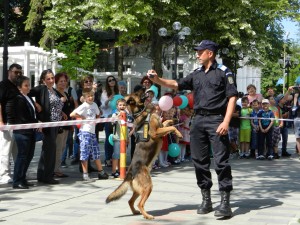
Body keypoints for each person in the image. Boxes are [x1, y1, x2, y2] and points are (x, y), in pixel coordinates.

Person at [147, 40, 238, 218]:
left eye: (200, 51)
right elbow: (176, 84)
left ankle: (225, 202)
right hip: (198, 120)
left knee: (221, 161)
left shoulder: (223, 72)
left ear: (210, 53)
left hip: (216, 119)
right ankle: (206, 199)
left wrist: (226, 122)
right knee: (199, 161)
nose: (197, 54)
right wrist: (157, 80)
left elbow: (232, 97)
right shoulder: (196, 73)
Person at [29, 69, 67, 185]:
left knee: (47, 150)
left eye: (52, 78)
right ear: (43, 80)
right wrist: (35, 104)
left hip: (56, 123)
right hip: (48, 123)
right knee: (50, 150)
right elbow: (26, 93)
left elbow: (55, 105)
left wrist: (62, 112)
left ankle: (42, 175)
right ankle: (48, 176)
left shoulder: (54, 90)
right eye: (48, 79)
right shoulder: (41, 88)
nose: (51, 80)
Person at [70, 88, 109, 182]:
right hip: (85, 132)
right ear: (84, 97)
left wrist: (98, 116)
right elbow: (72, 114)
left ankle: (101, 171)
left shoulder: (94, 105)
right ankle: (85, 174)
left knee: (96, 152)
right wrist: (81, 116)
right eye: (88, 96)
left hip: (92, 132)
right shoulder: (84, 106)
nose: (91, 98)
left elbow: (98, 114)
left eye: (92, 96)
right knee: (85, 153)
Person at [11, 76, 38, 189]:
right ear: (19, 88)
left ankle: (23, 177)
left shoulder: (28, 98)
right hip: (22, 132)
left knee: (29, 155)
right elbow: (23, 117)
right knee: (22, 156)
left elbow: (32, 113)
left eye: (29, 85)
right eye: (26, 85)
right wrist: (36, 122)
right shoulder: (18, 99)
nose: (28, 87)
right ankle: (17, 180)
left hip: (30, 131)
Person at [0, 63, 23, 184]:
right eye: (16, 72)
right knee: (5, 150)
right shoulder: (3, 85)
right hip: (7, 123)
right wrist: (1, 121)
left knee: (17, 151)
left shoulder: (18, 87)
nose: (18, 74)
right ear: (9, 72)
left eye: (20, 72)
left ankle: (18, 173)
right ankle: (4, 174)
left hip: (18, 123)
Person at [53, 72, 71, 178]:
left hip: (67, 125)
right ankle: (56, 170)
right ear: (56, 82)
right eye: (61, 81)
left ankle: (57, 168)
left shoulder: (66, 93)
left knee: (63, 147)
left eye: (65, 81)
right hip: (59, 126)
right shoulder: (55, 94)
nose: (63, 83)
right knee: (58, 148)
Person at [110, 98, 134, 178]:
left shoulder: (127, 115)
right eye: (120, 105)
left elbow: (131, 125)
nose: (122, 106)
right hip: (117, 138)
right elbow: (112, 121)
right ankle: (113, 171)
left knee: (123, 155)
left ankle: (121, 170)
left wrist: (128, 136)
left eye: (124, 105)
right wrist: (118, 116)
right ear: (117, 106)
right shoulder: (115, 114)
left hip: (125, 139)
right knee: (116, 155)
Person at [100, 75, 119, 167]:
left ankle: (114, 158)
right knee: (108, 138)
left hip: (117, 117)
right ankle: (107, 158)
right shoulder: (104, 92)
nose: (111, 81)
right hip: (108, 117)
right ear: (107, 83)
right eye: (109, 80)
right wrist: (109, 99)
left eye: (113, 80)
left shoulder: (117, 92)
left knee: (116, 138)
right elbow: (103, 106)